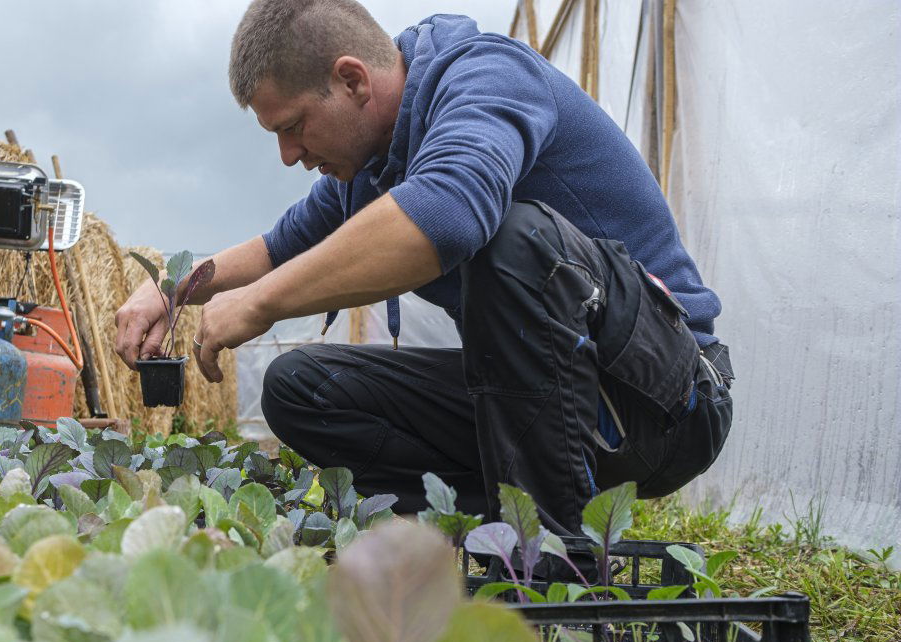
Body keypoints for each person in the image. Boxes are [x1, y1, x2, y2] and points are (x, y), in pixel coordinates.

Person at [113, 0, 734, 541]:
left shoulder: (486, 75)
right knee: (299, 385)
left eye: (294, 127)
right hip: (540, 409)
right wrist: (171, 284)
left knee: (512, 236)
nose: (288, 155)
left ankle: (550, 565)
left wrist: (262, 304)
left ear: (351, 79)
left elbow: (451, 214)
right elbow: (278, 248)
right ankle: (480, 534)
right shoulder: (372, 168)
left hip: (662, 401)